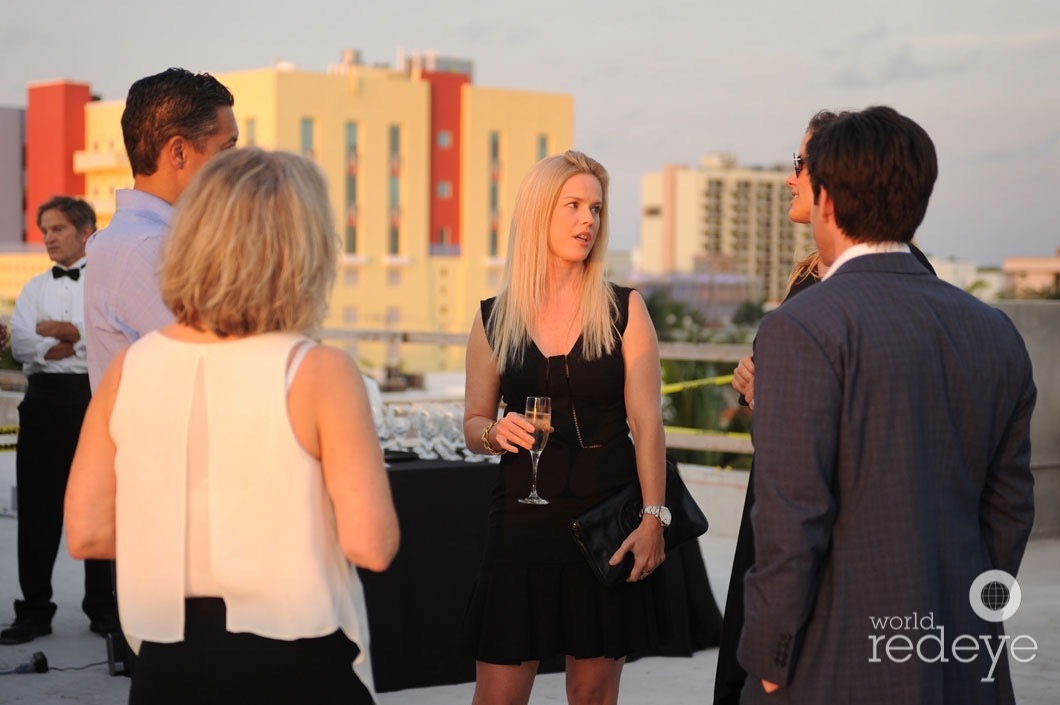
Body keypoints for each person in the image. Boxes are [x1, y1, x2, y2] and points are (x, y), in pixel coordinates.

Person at [64, 148, 400, 705]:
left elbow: (88, 532)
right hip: (296, 662)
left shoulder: (131, 367)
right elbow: (372, 544)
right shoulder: (317, 370)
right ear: (304, 250)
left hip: (168, 666)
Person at [737, 106, 1035, 704]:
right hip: (962, 651)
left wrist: (770, 657)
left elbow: (791, 516)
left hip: (835, 659)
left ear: (825, 198)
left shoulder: (804, 326)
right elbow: (1010, 508)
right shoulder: (995, 330)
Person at [713, 110, 937, 703]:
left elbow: (815, 487)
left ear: (833, 183)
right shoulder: (817, 282)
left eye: (800, 164)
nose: (790, 179)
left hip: (828, 584)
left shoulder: (832, 306)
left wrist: (770, 656)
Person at [462, 150, 671, 705]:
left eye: (597, 209)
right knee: (497, 697)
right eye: (574, 206)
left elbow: (648, 423)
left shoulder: (626, 310)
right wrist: (493, 432)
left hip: (607, 523)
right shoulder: (493, 318)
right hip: (520, 524)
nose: (588, 221)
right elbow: (472, 422)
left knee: (593, 695)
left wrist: (654, 519)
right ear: (538, 214)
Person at [1, 197, 118, 645]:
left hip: (95, 400)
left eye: (58, 229)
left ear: (86, 231)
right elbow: (26, 345)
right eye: (44, 229)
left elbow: (106, 335)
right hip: (44, 401)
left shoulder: (107, 284)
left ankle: (103, 609)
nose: (48, 237)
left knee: (99, 505)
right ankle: (34, 610)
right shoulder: (33, 288)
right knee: (36, 510)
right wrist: (71, 338)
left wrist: (71, 335)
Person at [84, 66, 238, 390]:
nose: (237, 167)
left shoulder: (145, 241)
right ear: (179, 152)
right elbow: (218, 370)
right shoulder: (147, 248)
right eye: (227, 150)